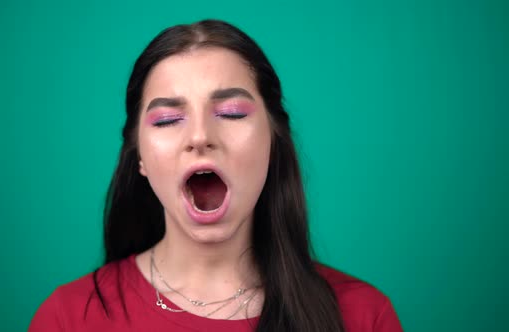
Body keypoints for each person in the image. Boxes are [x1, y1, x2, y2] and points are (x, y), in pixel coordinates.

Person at [29, 19, 403, 332]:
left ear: (273, 143)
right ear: (139, 157)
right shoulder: (69, 317)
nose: (200, 137)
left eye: (232, 113)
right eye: (168, 120)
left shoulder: (363, 316)